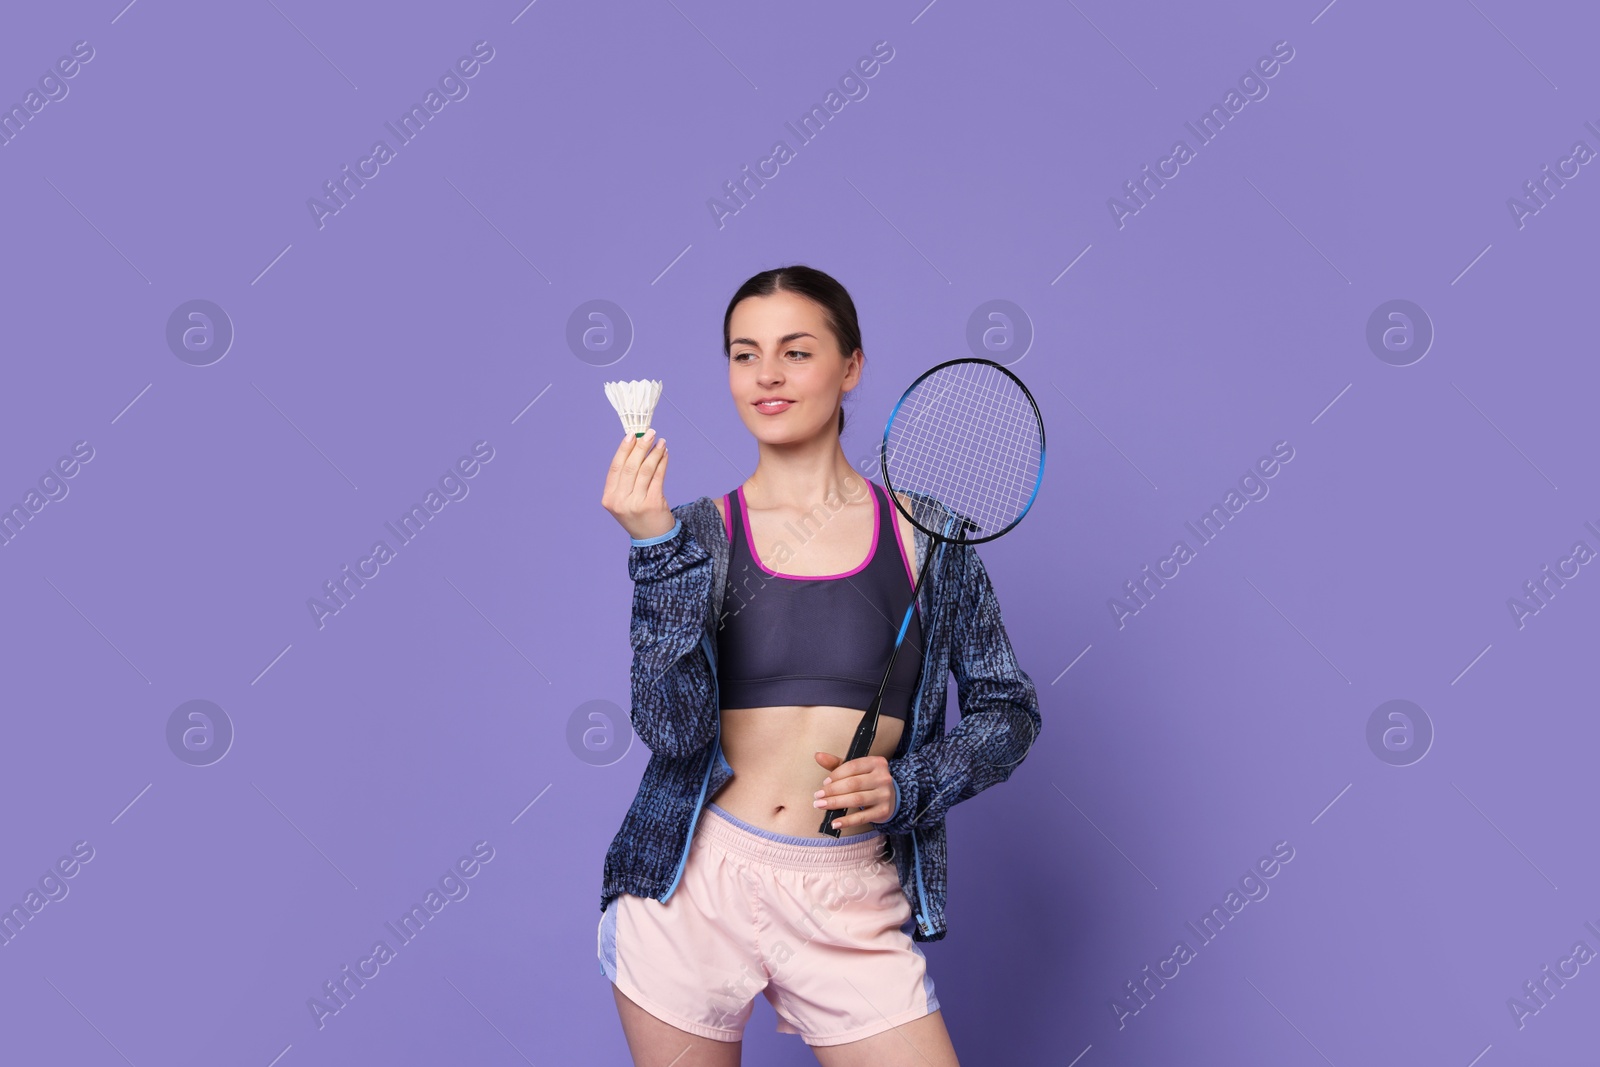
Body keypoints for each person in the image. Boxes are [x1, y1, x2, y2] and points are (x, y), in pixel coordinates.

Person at [597, 264, 1041, 1065]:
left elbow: (1008, 711)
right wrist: (654, 551)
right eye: (744, 353)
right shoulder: (692, 530)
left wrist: (910, 784)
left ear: (852, 366)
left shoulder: (928, 536)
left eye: (795, 352)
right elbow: (671, 726)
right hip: (693, 885)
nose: (766, 374)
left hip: (847, 889)